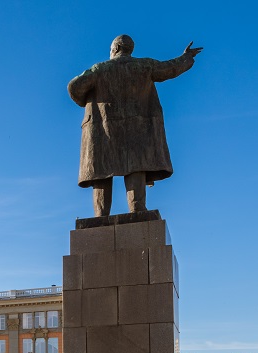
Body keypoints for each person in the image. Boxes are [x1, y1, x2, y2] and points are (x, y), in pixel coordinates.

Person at [68, 35, 202, 217]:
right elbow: (170, 68)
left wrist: (86, 100)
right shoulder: (145, 65)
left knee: (101, 170)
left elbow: (75, 86)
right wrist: (186, 57)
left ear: (115, 49)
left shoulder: (99, 69)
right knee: (136, 165)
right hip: (137, 127)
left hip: (103, 128)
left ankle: (101, 215)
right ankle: (137, 208)